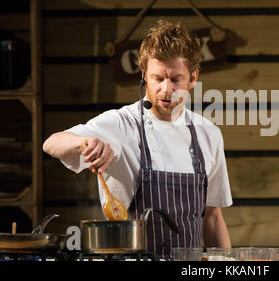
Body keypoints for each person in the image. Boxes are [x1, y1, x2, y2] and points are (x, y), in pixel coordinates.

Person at [43, 19, 233, 259]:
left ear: (192, 78)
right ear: (144, 75)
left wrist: (228, 263)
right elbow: (51, 143)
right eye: (157, 78)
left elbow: (212, 217)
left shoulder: (208, 134)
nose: (166, 89)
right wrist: (84, 143)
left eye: (176, 79)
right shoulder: (121, 123)